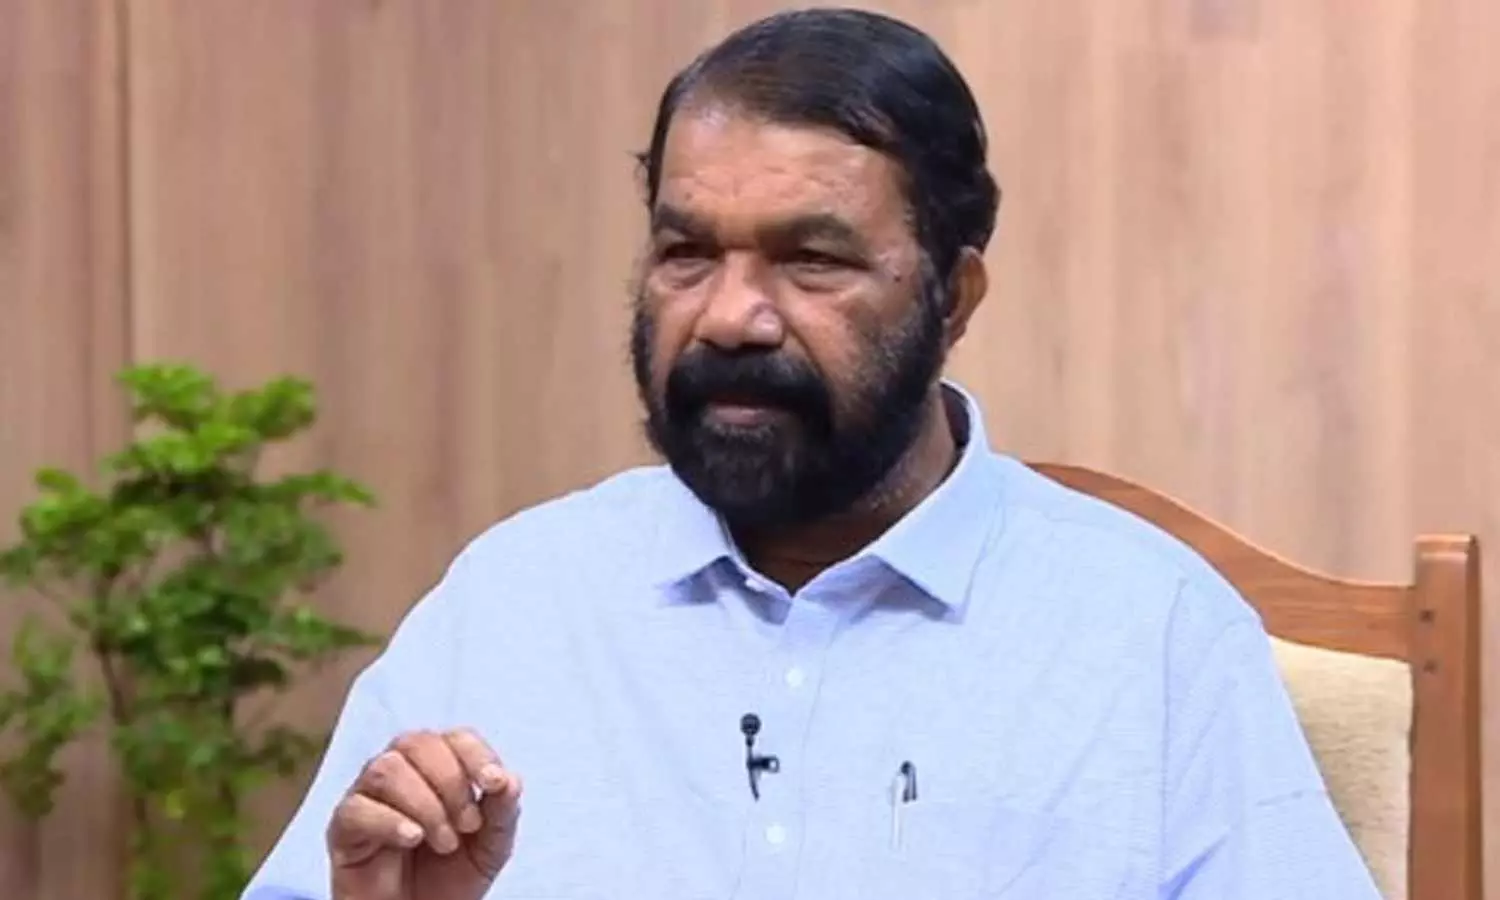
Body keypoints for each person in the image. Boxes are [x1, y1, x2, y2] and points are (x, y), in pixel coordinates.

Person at [242, 8, 1381, 900]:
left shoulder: (1152, 634)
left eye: (812, 261)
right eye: (687, 253)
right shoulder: (512, 603)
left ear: (953, 298)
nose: (730, 317)